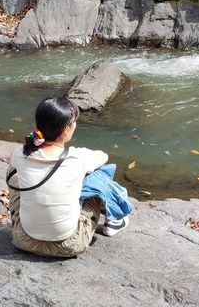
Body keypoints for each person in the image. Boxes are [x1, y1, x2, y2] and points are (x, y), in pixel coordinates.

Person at [7, 97, 130, 257]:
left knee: (14, 174)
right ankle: (114, 219)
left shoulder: (19, 153)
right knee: (99, 173)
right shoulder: (76, 158)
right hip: (69, 245)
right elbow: (104, 156)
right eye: (74, 122)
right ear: (66, 129)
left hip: (24, 240)